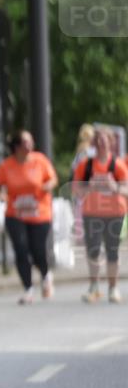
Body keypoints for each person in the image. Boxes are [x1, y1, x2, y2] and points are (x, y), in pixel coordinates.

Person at [0, 130, 59, 304]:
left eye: (31, 142)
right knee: (21, 249)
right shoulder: (6, 166)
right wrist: (3, 197)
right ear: (16, 147)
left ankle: (46, 275)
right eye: (25, 142)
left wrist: (45, 187)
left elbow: (53, 180)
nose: (29, 146)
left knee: (37, 250)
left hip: (39, 213)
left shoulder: (40, 161)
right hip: (16, 214)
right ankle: (28, 289)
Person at [73, 126, 128, 303]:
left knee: (113, 251)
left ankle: (113, 288)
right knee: (93, 251)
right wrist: (91, 186)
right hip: (92, 213)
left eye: (104, 140)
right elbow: (75, 189)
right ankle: (94, 287)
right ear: (94, 143)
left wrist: (115, 187)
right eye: (98, 140)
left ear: (111, 142)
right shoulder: (86, 165)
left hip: (116, 213)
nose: (101, 143)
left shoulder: (118, 165)